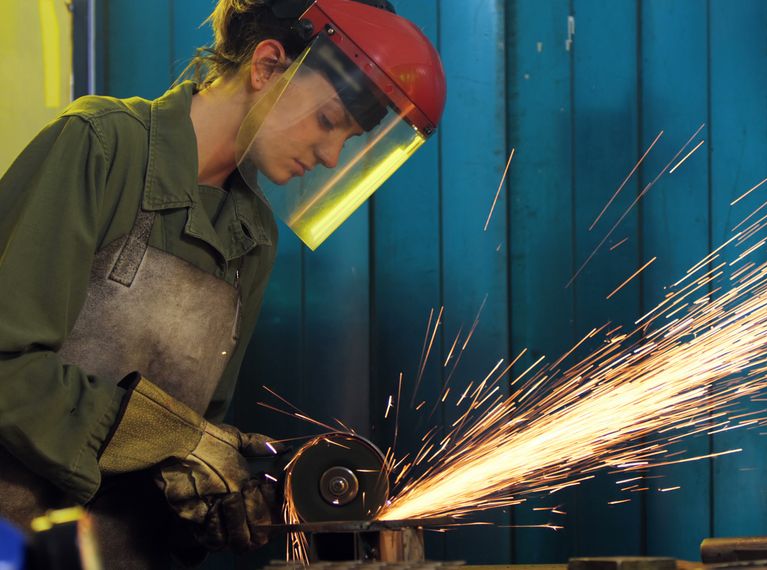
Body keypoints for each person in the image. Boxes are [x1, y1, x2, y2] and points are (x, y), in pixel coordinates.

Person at [0, 0, 445, 566]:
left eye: (349, 139)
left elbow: (194, 438)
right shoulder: (101, 146)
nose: (332, 155)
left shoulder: (252, 235)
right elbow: (6, 363)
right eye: (329, 121)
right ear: (266, 65)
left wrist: (225, 493)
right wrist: (172, 439)